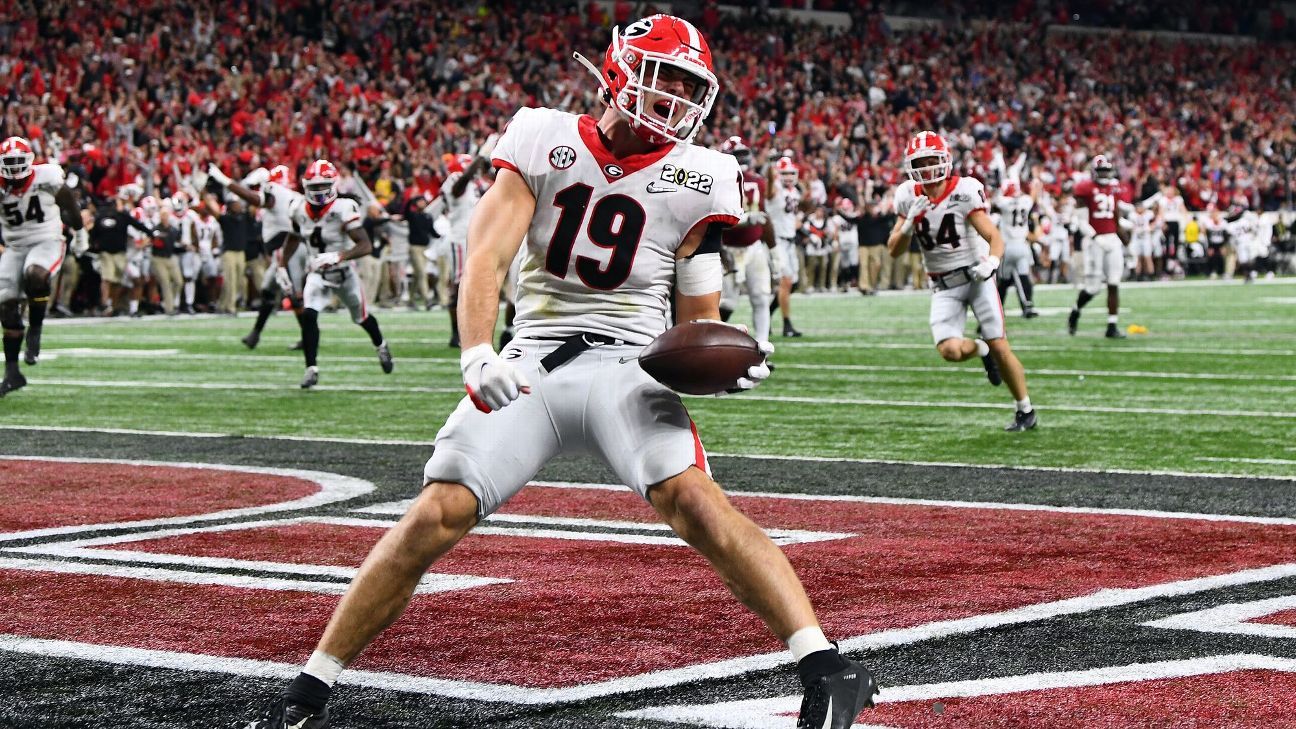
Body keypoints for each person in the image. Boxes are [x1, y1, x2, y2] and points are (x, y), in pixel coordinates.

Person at [241, 15, 877, 729]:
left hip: (632, 365)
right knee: (436, 510)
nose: (674, 96)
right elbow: (485, 257)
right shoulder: (542, 137)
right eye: (663, 75)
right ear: (617, 69)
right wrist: (476, 349)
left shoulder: (705, 175)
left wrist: (714, 367)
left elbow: (696, 318)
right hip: (533, 358)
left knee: (694, 500)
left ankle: (829, 664)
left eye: (688, 85)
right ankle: (307, 692)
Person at [887, 131, 1038, 432]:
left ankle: (1025, 409)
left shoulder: (964, 191)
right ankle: (982, 352)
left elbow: (994, 237)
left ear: (946, 160)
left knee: (1000, 343)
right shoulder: (908, 195)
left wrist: (992, 263)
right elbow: (894, 250)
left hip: (975, 276)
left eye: (933, 160)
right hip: (942, 285)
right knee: (950, 351)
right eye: (922, 162)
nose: (928, 168)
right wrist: (906, 226)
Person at [279, 159, 393, 389]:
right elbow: (293, 237)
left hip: (344, 274)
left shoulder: (343, 207)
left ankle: (381, 345)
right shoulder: (298, 208)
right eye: (314, 187)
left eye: (323, 186)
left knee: (361, 318)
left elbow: (365, 245)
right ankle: (311, 368)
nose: (319, 192)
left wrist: (339, 256)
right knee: (309, 315)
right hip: (318, 274)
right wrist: (282, 265)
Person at [0, 136, 83, 396]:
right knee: (6, 305)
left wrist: (80, 233)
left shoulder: (46, 176)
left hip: (47, 239)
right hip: (14, 246)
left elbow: (69, 203)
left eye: (18, 162)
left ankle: (35, 328)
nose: (14, 169)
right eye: (9, 163)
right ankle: (13, 373)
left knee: (35, 275)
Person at [210, 164, 307, 350]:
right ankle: (255, 334)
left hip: (289, 250)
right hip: (287, 250)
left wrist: (224, 180)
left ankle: (309, 337)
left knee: (295, 296)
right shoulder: (295, 196)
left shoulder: (276, 192)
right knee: (268, 290)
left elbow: (252, 198)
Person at [717, 136, 774, 342]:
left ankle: (762, 346)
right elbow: (718, 219)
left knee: (761, 298)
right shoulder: (719, 182)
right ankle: (716, 345)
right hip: (727, 248)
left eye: (743, 155)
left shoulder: (758, 181)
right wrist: (747, 219)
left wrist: (774, 252)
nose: (742, 160)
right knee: (727, 303)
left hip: (753, 247)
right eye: (737, 155)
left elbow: (765, 217)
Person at [1068, 155, 1132, 338]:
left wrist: (1127, 244)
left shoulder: (1114, 188)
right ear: (1094, 171)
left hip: (1112, 239)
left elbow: (1116, 218)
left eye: (1107, 170)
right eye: (1101, 171)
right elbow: (1081, 221)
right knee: (1093, 287)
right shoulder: (1085, 189)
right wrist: (1095, 236)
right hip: (1094, 241)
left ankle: (1112, 326)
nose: (1104, 174)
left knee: (1114, 282)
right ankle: (1075, 310)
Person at [766, 156, 804, 336]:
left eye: (791, 172)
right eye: (785, 173)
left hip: (790, 240)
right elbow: (770, 192)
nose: (789, 176)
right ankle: (787, 325)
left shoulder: (794, 191)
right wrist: (771, 175)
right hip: (778, 241)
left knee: (793, 283)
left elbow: (792, 217)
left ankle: (766, 315)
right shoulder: (775, 188)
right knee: (786, 281)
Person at [994, 179, 1038, 317]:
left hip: (1008, 246)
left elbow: (996, 200)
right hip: (1023, 245)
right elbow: (1032, 196)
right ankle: (1028, 305)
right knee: (1024, 276)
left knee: (1004, 279)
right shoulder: (1025, 200)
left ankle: (997, 308)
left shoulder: (1004, 203)